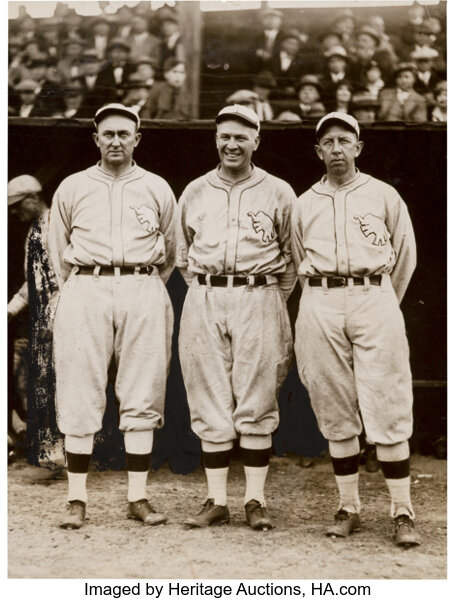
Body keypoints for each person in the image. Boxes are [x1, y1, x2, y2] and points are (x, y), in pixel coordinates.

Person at [291, 112, 420, 547]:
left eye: (345, 140)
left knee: (387, 400)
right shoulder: (303, 202)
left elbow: (405, 256)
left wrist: (381, 300)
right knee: (333, 403)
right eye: (328, 142)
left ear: (359, 147)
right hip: (320, 298)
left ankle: (402, 510)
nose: (337, 149)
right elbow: (295, 256)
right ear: (318, 151)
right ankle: (348, 507)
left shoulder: (383, 195)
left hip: (374, 294)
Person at [48, 103, 177, 529]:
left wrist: (142, 279)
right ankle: (76, 498)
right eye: (109, 134)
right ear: (96, 139)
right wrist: (82, 286)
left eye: (125, 133)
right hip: (86, 284)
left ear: (137, 139)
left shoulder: (157, 187)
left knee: (142, 389)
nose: (116, 141)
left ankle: (137, 497)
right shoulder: (72, 186)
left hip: (142, 284)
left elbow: (172, 251)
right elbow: (57, 252)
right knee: (80, 387)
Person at [176, 104, 296, 530]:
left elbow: (292, 258)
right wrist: (210, 290)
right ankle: (216, 500)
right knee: (208, 395)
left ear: (256, 141)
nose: (232, 144)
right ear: (215, 139)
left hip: (259, 294)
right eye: (225, 136)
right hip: (206, 294)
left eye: (241, 137)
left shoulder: (279, 191)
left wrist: (266, 295)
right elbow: (182, 254)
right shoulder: (194, 190)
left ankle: (255, 500)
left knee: (257, 395)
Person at [8, 175, 63, 469]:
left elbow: (66, 276)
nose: (15, 213)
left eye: (17, 206)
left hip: (66, 311)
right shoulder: (33, 232)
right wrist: (9, 311)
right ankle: (52, 450)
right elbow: (34, 283)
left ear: (32, 198)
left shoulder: (59, 223)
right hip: (44, 314)